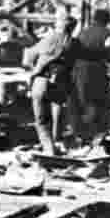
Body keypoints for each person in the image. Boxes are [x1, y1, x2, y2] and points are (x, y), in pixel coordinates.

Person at [25, 16, 79, 155]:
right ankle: (57, 142)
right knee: (58, 112)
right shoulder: (74, 44)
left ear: (58, 26)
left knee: (42, 119)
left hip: (42, 81)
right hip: (60, 82)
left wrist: (35, 66)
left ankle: (49, 148)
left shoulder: (49, 39)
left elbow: (28, 57)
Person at [69, 8, 110, 152]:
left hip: (77, 70)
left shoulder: (83, 32)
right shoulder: (106, 34)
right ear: (107, 20)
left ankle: (80, 136)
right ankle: (91, 138)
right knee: (95, 103)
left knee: (81, 102)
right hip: (95, 72)